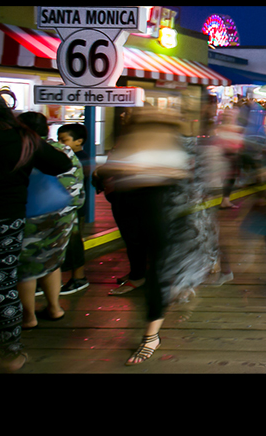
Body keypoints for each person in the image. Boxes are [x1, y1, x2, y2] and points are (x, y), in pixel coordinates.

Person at [96, 105, 193, 365]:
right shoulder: (130, 138)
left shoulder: (170, 141)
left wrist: (137, 169)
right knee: (139, 254)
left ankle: (151, 336)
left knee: (158, 272)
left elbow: (180, 173)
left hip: (159, 211)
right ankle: (140, 282)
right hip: (130, 206)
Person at [0, 90, 72, 373]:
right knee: (4, 283)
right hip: (7, 217)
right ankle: (9, 353)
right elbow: (61, 164)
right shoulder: (22, 138)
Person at [15, 112, 82, 330]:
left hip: (31, 215)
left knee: (25, 267)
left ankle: (28, 317)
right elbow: (77, 183)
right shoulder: (64, 150)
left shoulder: (22, 149)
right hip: (62, 214)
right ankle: (54, 308)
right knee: (52, 261)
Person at [56, 123, 92, 295]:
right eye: (58, 139)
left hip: (75, 208)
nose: (60, 143)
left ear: (79, 141)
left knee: (74, 243)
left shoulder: (79, 158)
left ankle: (79, 277)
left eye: (64, 140)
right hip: (71, 207)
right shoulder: (73, 155)